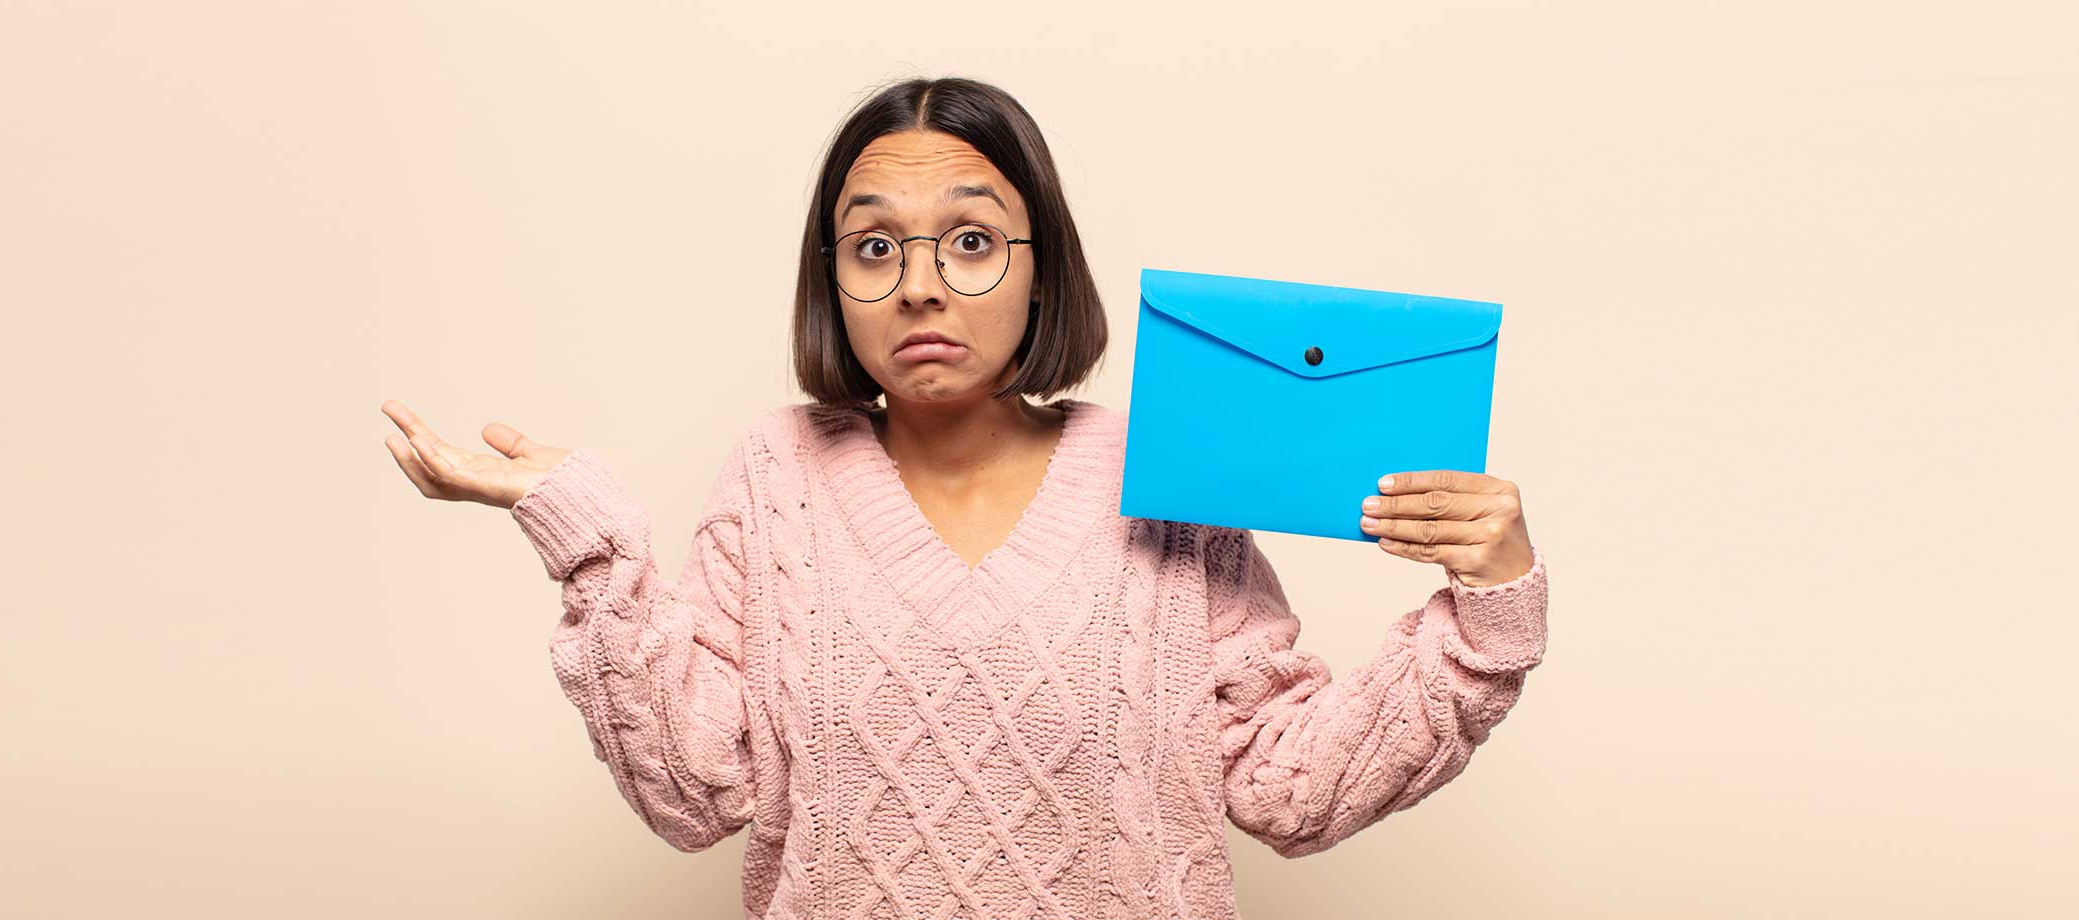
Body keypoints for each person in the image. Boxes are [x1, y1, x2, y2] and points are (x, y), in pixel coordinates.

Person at [380, 76, 1548, 920]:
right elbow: (698, 791)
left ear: (1043, 263)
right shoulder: (779, 475)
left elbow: (1289, 784)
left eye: (973, 240)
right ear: (831, 280)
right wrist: (594, 549)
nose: (922, 284)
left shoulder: (1165, 481)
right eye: (873, 248)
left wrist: (1487, 611)